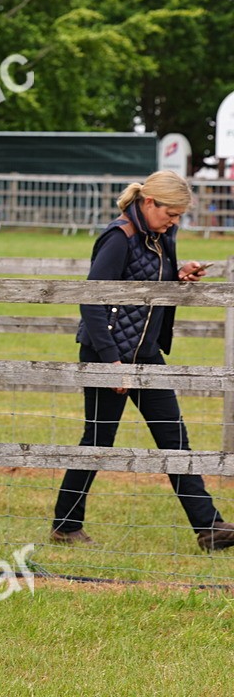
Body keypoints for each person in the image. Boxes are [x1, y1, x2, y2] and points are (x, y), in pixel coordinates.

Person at [52, 171, 234, 551]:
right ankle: (66, 526)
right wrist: (111, 363)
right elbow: (91, 300)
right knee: (98, 440)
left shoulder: (160, 235)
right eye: (171, 213)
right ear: (149, 202)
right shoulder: (119, 237)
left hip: (147, 355)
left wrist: (179, 276)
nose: (175, 221)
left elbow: (149, 283)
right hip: (108, 355)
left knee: (174, 439)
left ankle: (210, 528)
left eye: (179, 215)